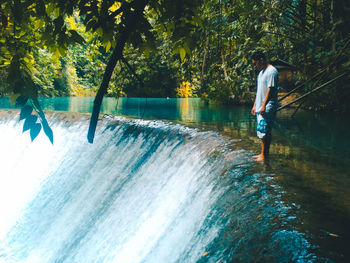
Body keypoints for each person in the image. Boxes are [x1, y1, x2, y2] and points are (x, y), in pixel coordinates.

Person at [251, 50, 279, 162]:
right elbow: (259, 91)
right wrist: (255, 105)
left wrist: (263, 106)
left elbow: (271, 90)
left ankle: (265, 155)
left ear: (261, 60)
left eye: (255, 63)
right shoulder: (261, 73)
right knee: (261, 131)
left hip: (267, 106)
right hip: (260, 106)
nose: (254, 66)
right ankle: (263, 153)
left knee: (265, 131)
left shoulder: (272, 71)